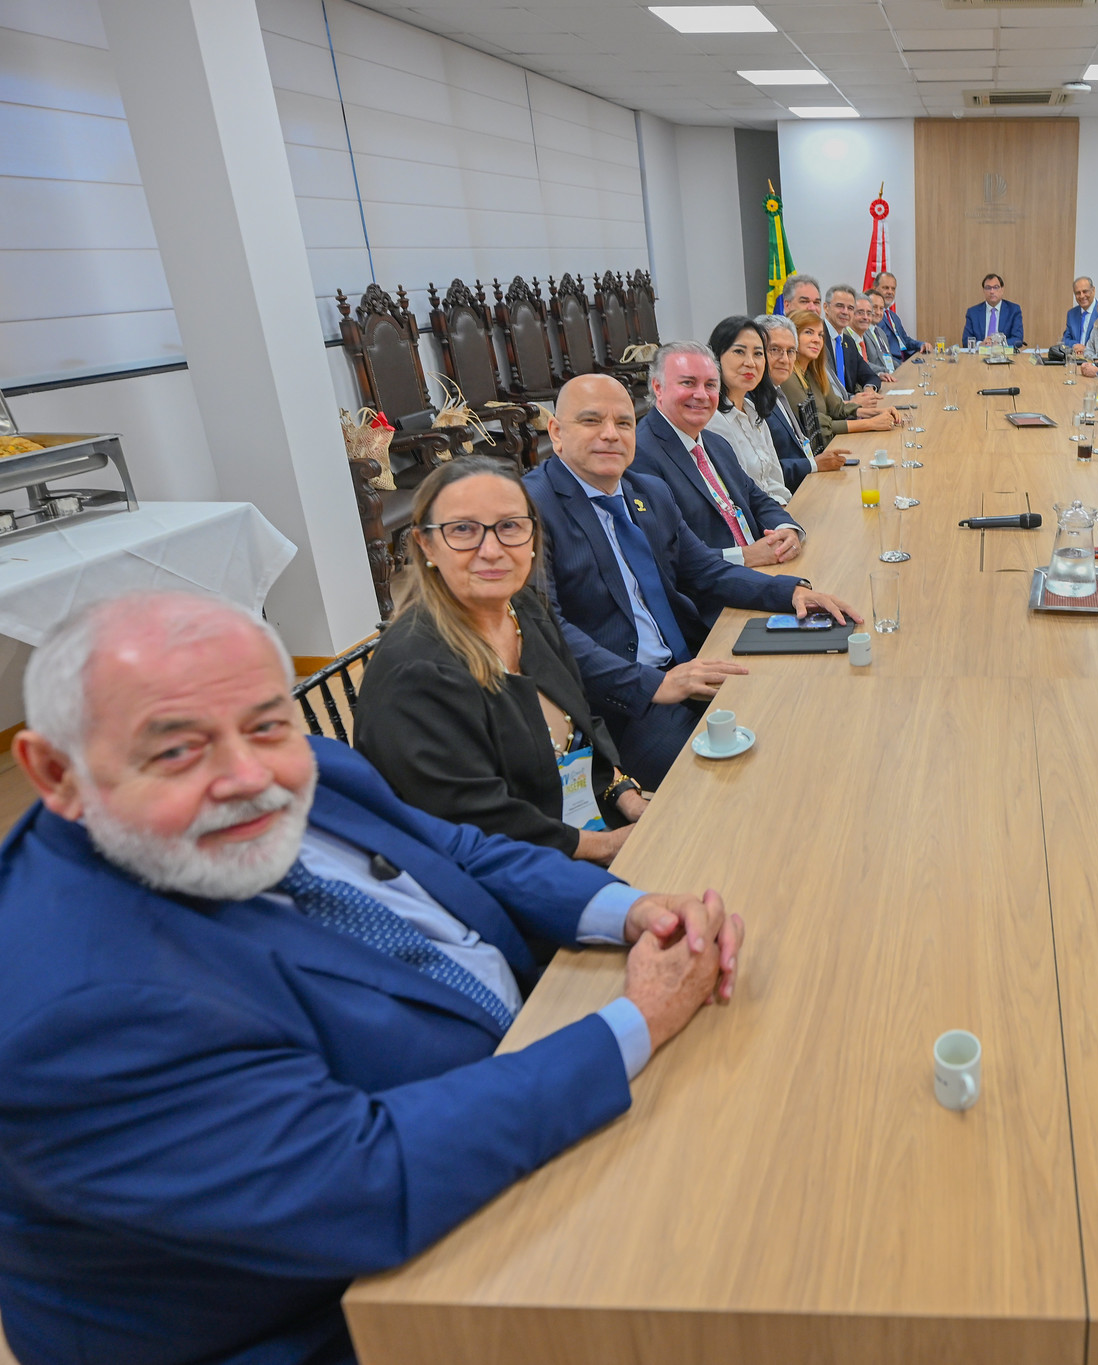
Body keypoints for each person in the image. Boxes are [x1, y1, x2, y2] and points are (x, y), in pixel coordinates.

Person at [0, 587, 744, 1365]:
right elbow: (368, 1179)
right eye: (178, 749)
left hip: (511, 1088)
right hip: (354, 1313)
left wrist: (626, 910)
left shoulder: (311, 763)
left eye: (266, 722)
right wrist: (636, 1019)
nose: (250, 774)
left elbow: (457, 851)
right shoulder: (73, 1010)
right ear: (56, 772)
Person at [532, 373, 854, 785]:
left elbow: (705, 571)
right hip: (623, 702)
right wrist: (653, 684)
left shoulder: (646, 490)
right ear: (557, 433)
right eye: (592, 422)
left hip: (689, 665)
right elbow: (547, 631)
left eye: (624, 423)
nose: (611, 435)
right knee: (741, 776)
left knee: (803, 713)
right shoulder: (532, 508)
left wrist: (791, 590)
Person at [356, 457, 648, 865]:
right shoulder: (415, 672)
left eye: (509, 526)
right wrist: (607, 846)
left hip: (578, 831)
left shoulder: (523, 607)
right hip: (502, 874)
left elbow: (584, 722)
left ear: (532, 536)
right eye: (463, 530)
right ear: (426, 545)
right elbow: (474, 825)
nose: (491, 550)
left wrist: (629, 799)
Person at [638, 341, 806, 566]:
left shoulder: (715, 442)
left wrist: (786, 530)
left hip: (763, 567)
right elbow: (666, 552)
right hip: (716, 587)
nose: (701, 395)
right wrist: (744, 557)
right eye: (688, 383)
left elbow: (756, 498)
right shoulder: (641, 454)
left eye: (710, 385)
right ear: (658, 387)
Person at [702, 315, 796, 506]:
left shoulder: (752, 409)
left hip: (777, 512)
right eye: (739, 352)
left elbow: (774, 478)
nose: (751, 363)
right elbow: (739, 495)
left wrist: (787, 509)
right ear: (716, 357)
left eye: (758, 354)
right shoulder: (714, 420)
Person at [757, 312, 850, 491]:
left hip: (807, 481)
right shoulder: (755, 401)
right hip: (794, 491)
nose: (784, 359)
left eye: (790, 351)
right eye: (775, 350)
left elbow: (836, 407)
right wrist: (813, 465)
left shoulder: (776, 392)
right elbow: (763, 474)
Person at [787, 308, 900, 443]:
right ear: (792, 337)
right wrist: (871, 423)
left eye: (820, 335)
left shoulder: (814, 371)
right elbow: (818, 427)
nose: (816, 340)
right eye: (808, 332)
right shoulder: (788, 376)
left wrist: (879, 412)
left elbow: (837, 408)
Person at [822, 284, 882, 393]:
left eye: (850, 308)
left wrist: (869, 389)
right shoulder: (817, 338)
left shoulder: (849, 342)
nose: (845, 312)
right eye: (840, 306)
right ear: (826, 307)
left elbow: (870, 376)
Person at [962, 272, 1024, 347]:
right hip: (979, 355)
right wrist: (980, 344)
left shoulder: (1013, 310)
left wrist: (999, 344)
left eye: (996, 287)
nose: (992, 291)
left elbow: (1018, 339)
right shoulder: (973, 312)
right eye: (988, 288)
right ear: (983, 291)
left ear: (1002, 290)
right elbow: (966, 340)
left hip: (1004, 355)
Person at [872, 271, 925, 357]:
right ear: (875, 288)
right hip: (893, 363)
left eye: (893, 288)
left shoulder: (893, 316)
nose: (890, 292)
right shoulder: (873, 316)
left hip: (907, 358)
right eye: (886, 288)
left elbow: (904, 340)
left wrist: (921, 344)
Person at [1060, 276, 1097, 350]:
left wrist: (1086, 349)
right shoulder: (1072, 314)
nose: (1082, 296)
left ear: (1093, 290)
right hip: (1075, 358)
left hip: (1094, 359)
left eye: (1085, 291)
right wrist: (1075, 345)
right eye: (1078, 293)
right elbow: (1065, 340)